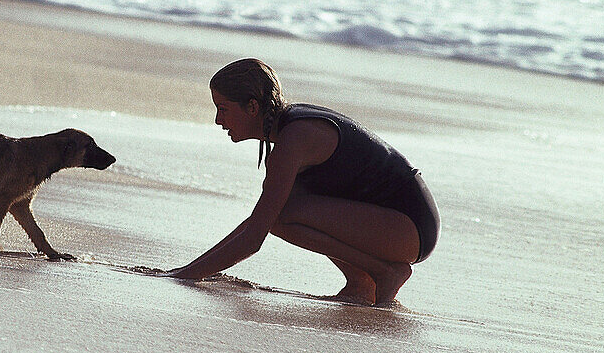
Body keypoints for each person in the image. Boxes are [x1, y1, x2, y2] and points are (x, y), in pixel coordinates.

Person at [161, 58, 439, 305]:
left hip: (410, 224)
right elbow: (255, 224)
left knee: (281, 215)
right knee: (281, 212)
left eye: (223, 108)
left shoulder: (295, 139)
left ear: (253, 107)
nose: (217, 120)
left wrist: (182, 276)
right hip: (392, 223)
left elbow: (255, 236)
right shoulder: (286, 137)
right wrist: (187, 271)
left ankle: (383, 272)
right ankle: (361, 282)